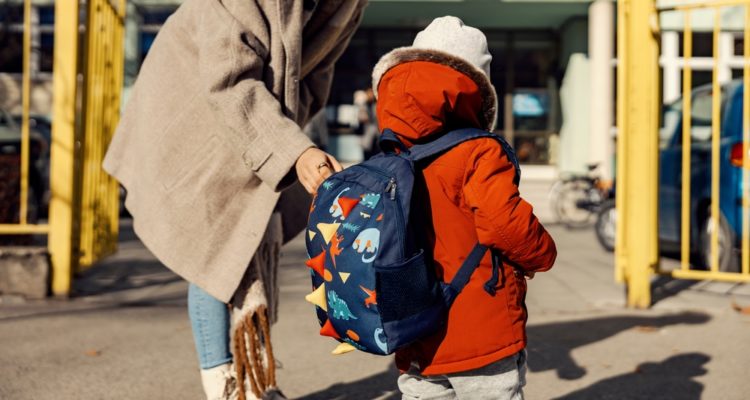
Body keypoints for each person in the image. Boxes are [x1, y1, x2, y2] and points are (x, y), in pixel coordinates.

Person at [102, 1, 367, 399]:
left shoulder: (349, 4)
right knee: (213, 246)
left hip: (263, 115)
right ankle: (223, 382)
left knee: (254, 237)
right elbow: (228, 82)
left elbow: (318, 72)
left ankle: (253, 377)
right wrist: (293, 150)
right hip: (192, 105)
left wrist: (286, 136)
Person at [370, 16, 557, 399]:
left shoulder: (395, 155)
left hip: (414, 325)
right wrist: (542, 254)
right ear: (475, 88)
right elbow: (504, 224)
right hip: (479, 328)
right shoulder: (478, 151)